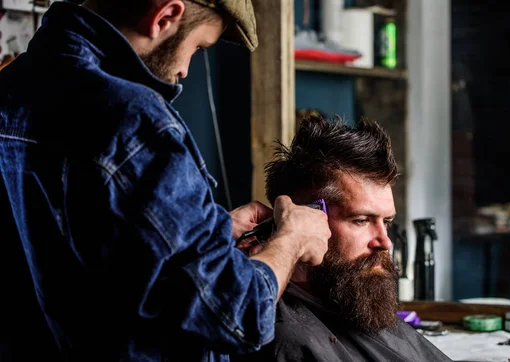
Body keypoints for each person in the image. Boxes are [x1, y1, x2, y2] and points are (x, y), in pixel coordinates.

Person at [0, 0, 331, 361]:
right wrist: (291, 240)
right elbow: (237, 315)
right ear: (165, 17)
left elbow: (78, 251)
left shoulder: (12, 87)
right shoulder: (136, 124)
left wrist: (210, 232)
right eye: (198, 47)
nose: (186, 70)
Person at [234, 115, 452, 362]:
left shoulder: (352, 300)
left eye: (387, 222)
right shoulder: (290, 342)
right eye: (361, 220)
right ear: (306, 218)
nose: (385, 241)